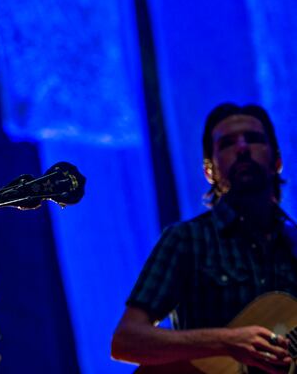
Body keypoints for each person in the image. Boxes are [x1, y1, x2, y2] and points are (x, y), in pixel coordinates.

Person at [111, 103, 297, 373]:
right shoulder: (187, 240)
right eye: (227, 144)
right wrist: (225, 341)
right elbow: (127, 341)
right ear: (209, 171)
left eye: (254, 139)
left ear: (277, 161)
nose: (243, 148)